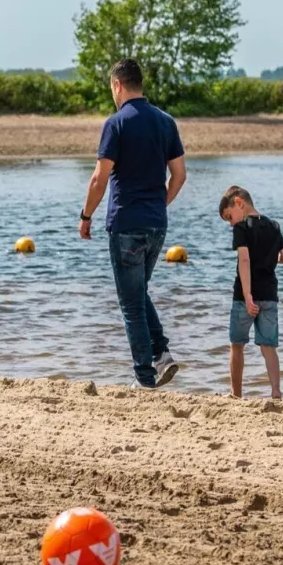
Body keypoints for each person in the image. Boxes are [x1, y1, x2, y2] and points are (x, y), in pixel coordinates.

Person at [78, 59, 187, 388]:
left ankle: (145, 376)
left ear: (117, 85)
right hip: (157, 224)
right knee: (138, 293)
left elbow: (100, 177)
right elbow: (179, 176)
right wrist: (159, 204)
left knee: (130, 302)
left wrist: (86, 216)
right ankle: (163, 355)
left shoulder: (116, 123)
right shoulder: (166, 122)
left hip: (126, 223)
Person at [219, 185, 283, 399]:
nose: (231, 223)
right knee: (268, 346)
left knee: (237, 344)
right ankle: (276, 392)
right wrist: (270, 259)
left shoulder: (241, 229)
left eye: (229, 217)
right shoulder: (274, 226)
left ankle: (236, 393)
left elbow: (244, 259)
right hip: (269, 295)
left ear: (239, 203)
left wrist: (248, 294)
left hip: (244, 297)